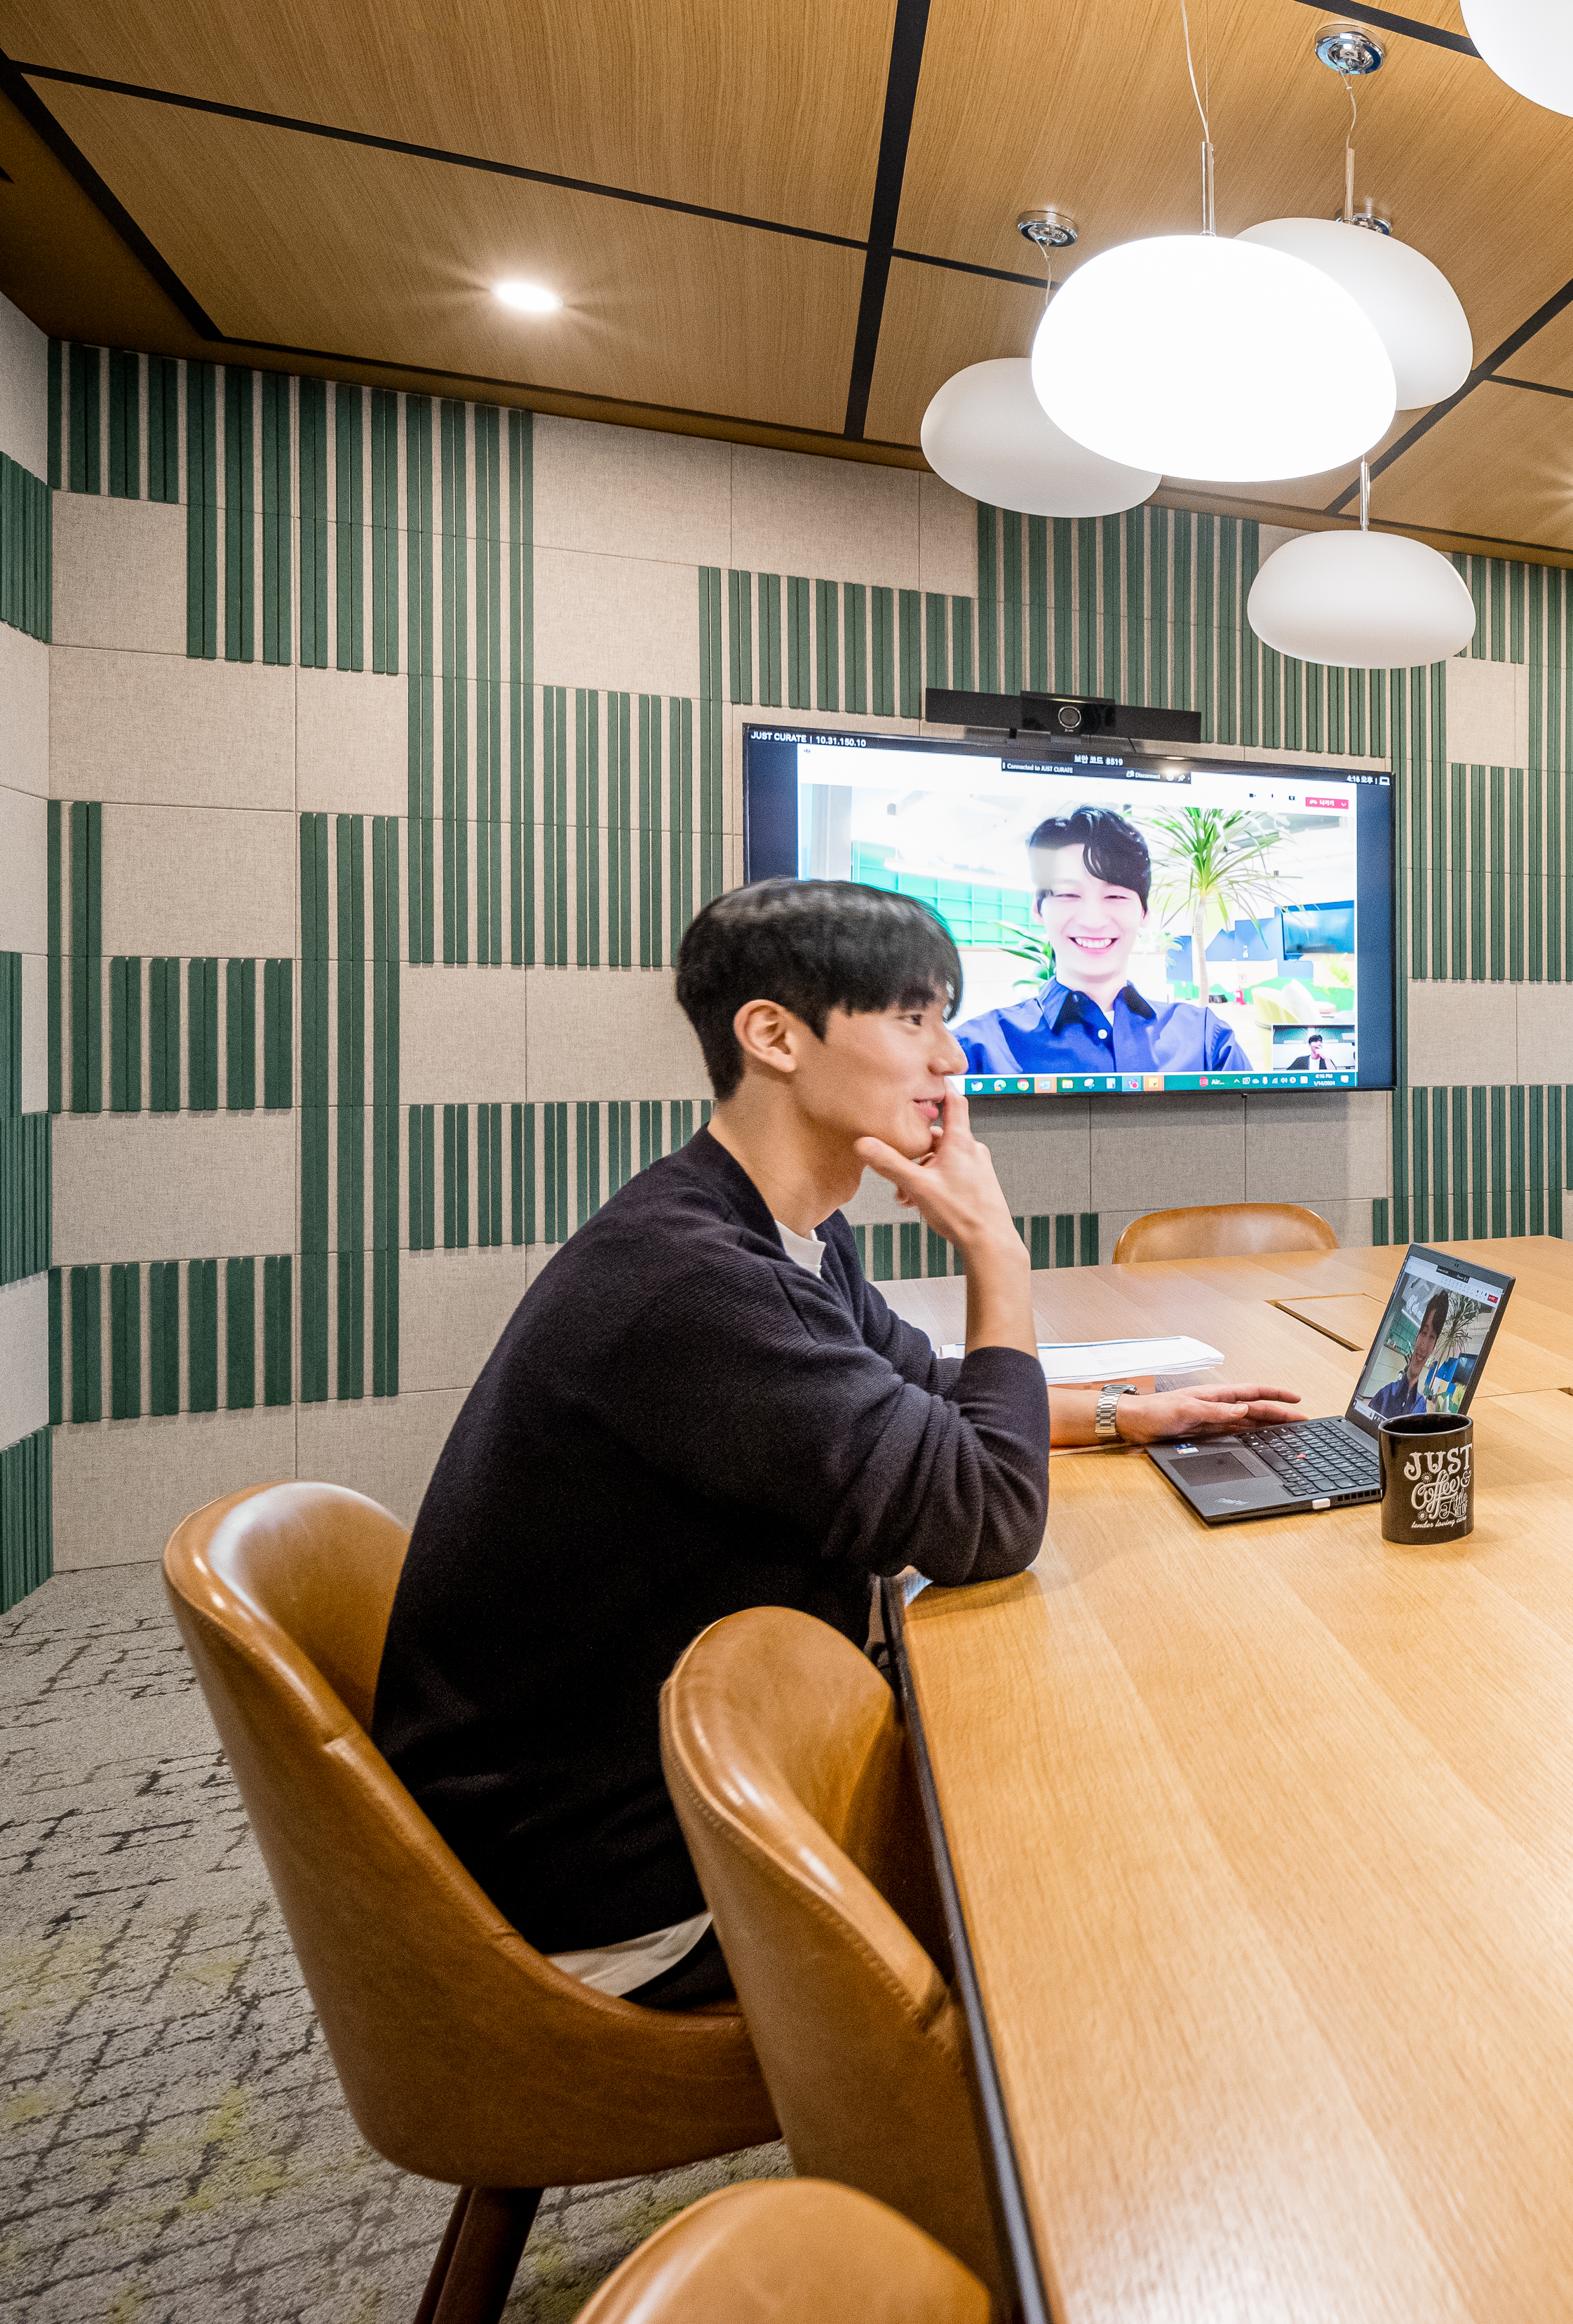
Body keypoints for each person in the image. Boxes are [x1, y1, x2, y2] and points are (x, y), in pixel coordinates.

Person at [374, 879, 1305, 2013]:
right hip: (613, 1891)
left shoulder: (766, 1228)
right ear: (771, 1035)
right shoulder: (696, 1287)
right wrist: (995, 1258)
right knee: (1107, 1843)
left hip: (661, 1791)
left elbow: (920, 1392)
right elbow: (986, 1523)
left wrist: (1121, 1412)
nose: (953, 1060)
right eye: (912, 1019)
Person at [956, 807, 1257, 1078]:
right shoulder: (978, 1050)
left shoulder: (1205, 1041)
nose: (1093, 920)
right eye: (1068, 894)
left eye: (1115, 896)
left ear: (1144, 912)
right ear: (1038, 908)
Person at [1363, 1291, 1479, 1420]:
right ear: (1417, 1337)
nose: (1424, 1347)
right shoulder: (1386, 1393)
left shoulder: (1421, 1407)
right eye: (1424, 1333)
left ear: (1434, 1346)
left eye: (1432, 1337)